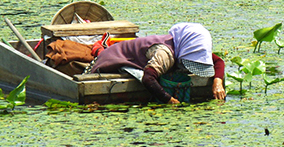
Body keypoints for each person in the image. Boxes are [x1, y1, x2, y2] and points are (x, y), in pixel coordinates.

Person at [88, 23, 226, 104]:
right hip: (113, 59)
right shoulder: (165, 54)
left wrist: (217, 82)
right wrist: (168, 100)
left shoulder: (189, 49)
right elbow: (148, 78)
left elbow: (218, 61)